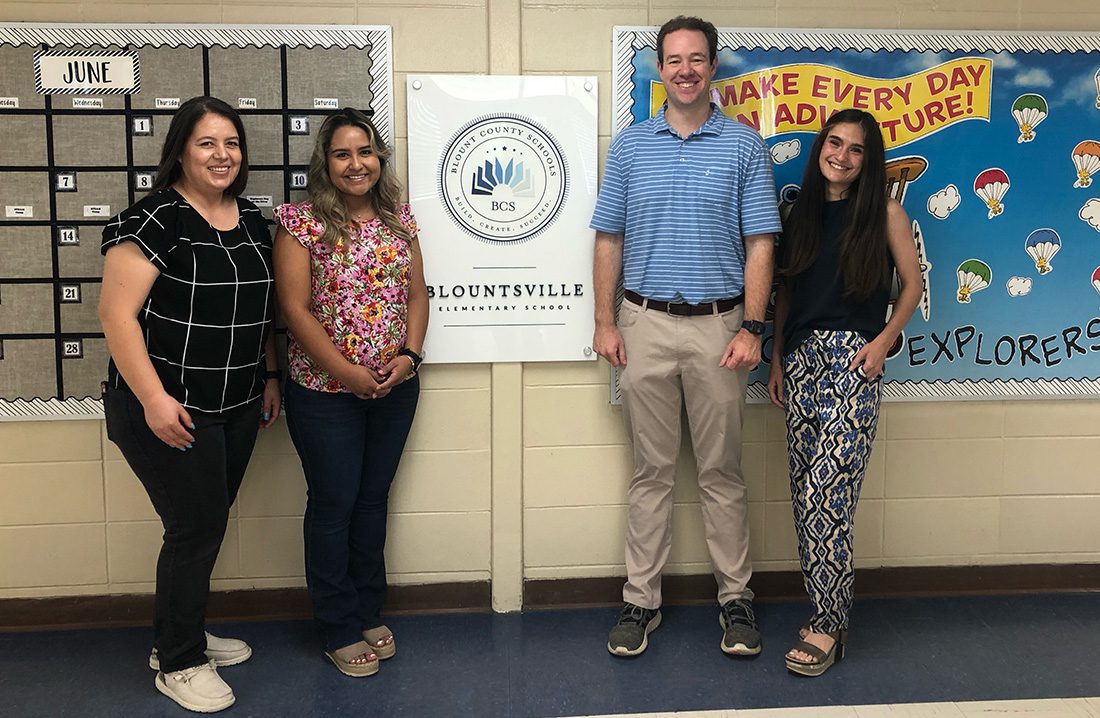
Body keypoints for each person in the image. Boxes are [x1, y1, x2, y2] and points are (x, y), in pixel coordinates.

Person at [590, 15, 781, 658]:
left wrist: (754, 328)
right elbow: (608, 237)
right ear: (658, 69)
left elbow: (761, 243)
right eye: (673, 60)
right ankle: (640, 602)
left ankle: (737, 601)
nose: (685, 70)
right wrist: (605, 320)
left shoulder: (744, 147)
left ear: (713, 66)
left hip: (721, 328)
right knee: (651, 472)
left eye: (697, 59)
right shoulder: (630, 146)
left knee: (722, 472)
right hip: (642, 324)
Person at [98, 96, 280, 713]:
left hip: (236, 403)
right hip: (165, 409)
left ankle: (179, 634)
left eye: (231, 143)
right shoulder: (153, 219)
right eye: (206, 143)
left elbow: (261, 313)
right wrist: (152, 399)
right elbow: (115, 316)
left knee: (206, 525)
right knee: (194, 528)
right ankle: (177, 662)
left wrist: (270, 376)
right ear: (179, 150)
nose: (221, 155)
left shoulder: (253, 220)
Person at [273, 108, 428, 677]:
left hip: (395, 387)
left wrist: (408, 358)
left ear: (379, 158)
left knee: (372, 499)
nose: (355, 163)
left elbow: (416, 295)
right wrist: (346, 371)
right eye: (342, 154)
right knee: (334, 504)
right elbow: (294, 308)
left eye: (364, 152)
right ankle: (337, 625)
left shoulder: (398, 220)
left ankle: (367, 608)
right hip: (324, 391)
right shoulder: (301, 222)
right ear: (326, 163)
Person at [767, 109, 921, 676]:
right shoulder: (797, 214)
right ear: (820, 148)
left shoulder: (885, 214)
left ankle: (830, 624)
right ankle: (821, 610)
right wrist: (778, 357)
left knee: (826, 497)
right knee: (802, 492)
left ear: (868, 159)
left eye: (857, 149)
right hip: (802, 363)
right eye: (835, 143)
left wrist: (882, 343)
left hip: (854, 363)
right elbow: (786, 294)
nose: (843, 156)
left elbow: (914, 284)